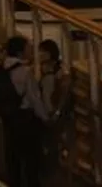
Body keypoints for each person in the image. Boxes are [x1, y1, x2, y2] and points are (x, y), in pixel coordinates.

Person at [0, 35, 50, 187]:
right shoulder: (25, 72)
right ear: (21, 52)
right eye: (28, 49)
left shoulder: (2, 68)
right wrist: (46, 119)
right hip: (26, 120)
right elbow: (34, 99)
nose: (31, 52)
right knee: (31, 162)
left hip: (10, 120)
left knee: (13, 160)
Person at [38, 39, 71, 178]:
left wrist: (56, 112)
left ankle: (53, 173)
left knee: (53, 144)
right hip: (47, 113)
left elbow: (63, 92)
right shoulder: (44, 69)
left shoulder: (59, 72)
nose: (39, 55)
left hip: (53, 114)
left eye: (42, 52)